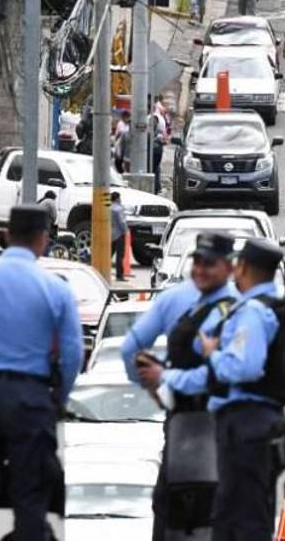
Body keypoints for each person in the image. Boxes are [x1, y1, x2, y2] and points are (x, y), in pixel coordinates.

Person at [0, 204, 84, 541]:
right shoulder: (56, 288)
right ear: (43, 239)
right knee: (30, 501)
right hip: (30, 398)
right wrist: (57, 399)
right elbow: (72, 354)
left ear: (7, 235)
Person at [151, 238, 285, 541]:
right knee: (231, 517)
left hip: (246, 424)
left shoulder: (252, 313)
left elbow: (244, 368)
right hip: (257, 424)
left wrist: (212, 353)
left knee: (244, 520)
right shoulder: (276, 308)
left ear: (241, 267)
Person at [122, 232, 238, 541]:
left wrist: (164, 379)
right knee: (173, 514)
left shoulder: (231, 312)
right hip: (184, 428)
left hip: (210, 431)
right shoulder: (195, 306)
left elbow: (220, 375)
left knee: (200, 517)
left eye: (209, 264)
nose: (200, 269)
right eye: (197, 262)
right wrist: (157, 385)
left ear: (229, 267)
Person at [150, 99, 169, 194]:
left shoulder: (153, 118)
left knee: (152, 168)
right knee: (156, 168)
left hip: (153, 148)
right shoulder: (161, 118)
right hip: (158, 147)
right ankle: (157, 187)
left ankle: (154, 188)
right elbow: (165, 136)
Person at [110, 191, 128, 281]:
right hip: (119, 235)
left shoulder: (108, 208)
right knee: (120, 256)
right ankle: (119, 275)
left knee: (108, 254)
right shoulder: (119, 209)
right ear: (117, 199)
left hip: (109, 235)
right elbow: (122, 222)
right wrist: (126, 232)